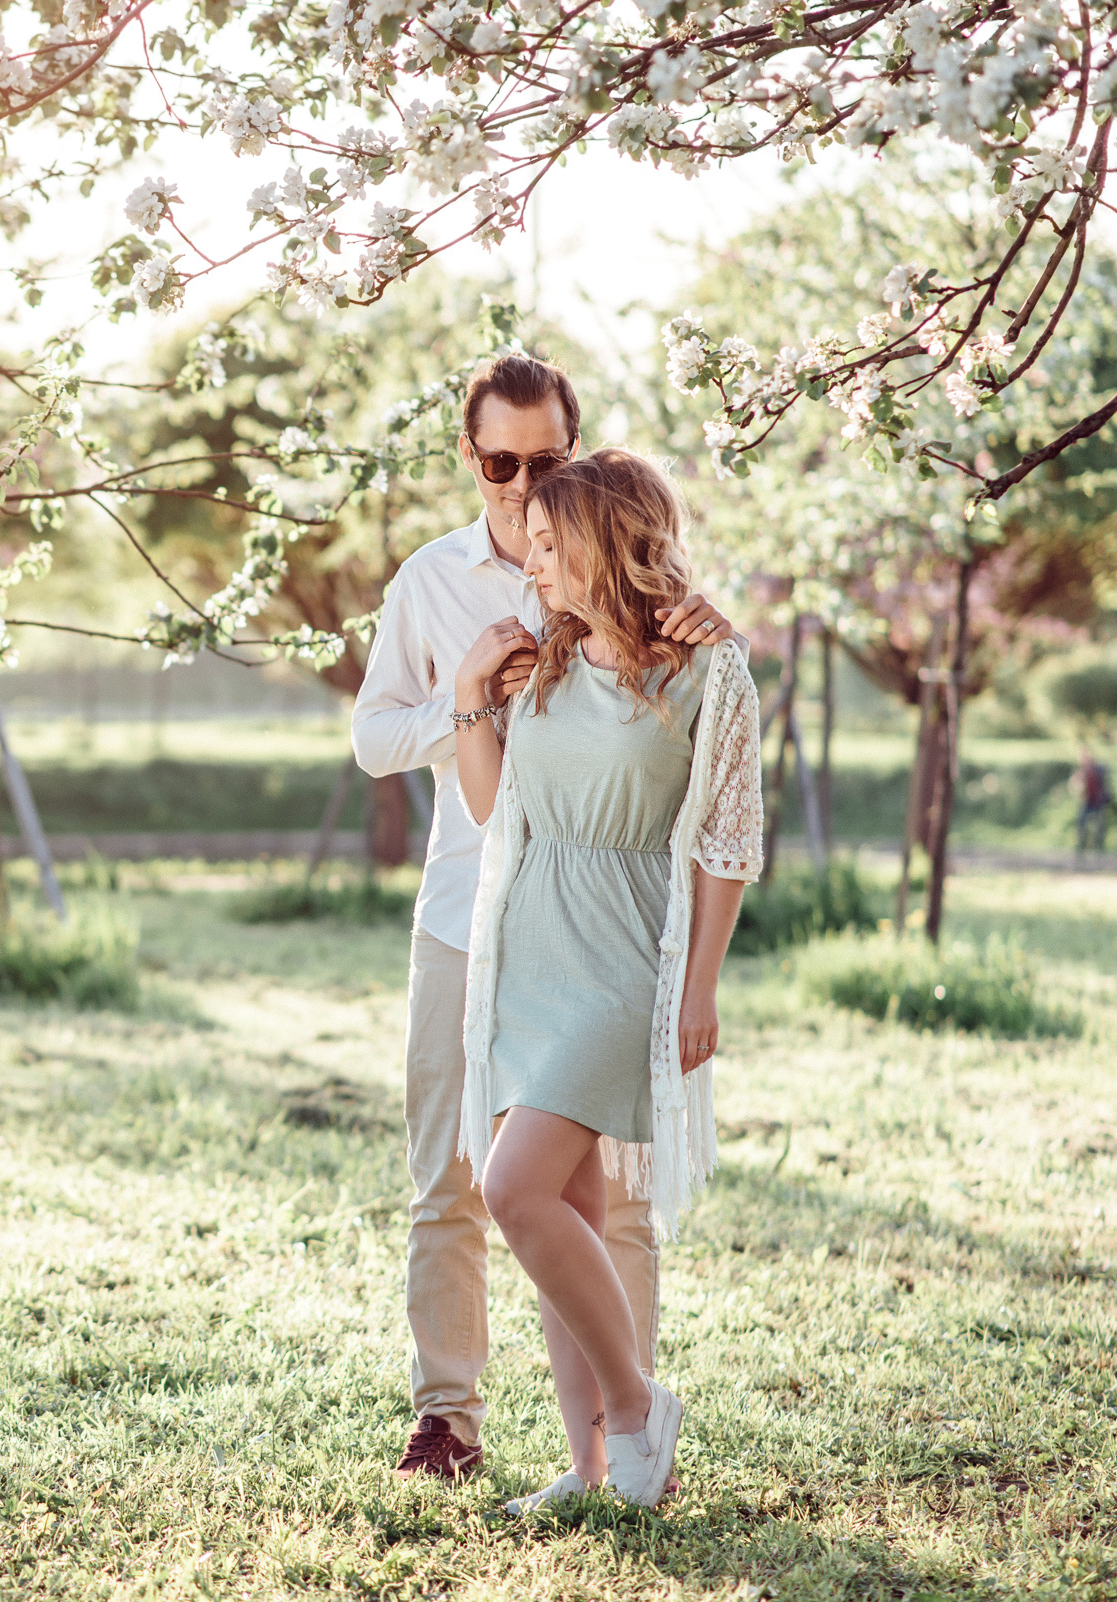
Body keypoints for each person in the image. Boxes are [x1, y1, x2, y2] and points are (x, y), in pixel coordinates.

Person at [350, 353, 733, 1482]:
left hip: (601, 938)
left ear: (577, 452)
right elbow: (376, 740)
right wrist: (469, 694)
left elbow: (702, 739)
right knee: (452, 1183)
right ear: (471, 458)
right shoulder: (431, 582)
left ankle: (626, 1432)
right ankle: (448, 1417)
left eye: (548, 460)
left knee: (611, 1202)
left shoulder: (632, 582)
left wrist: (697, 613)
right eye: (502, 461)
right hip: (468, 920)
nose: (524, 486)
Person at [452, 448, 763, 1511]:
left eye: (548, 543)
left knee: (512, 1189)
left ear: (604, 541)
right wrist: (464, 697)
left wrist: (700, 991)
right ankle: (592, 1469)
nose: (531, 562)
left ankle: (635, 1409)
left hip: (624, 957)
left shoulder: (706, 671)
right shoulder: (541, 660)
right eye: (528, 543)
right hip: (529, 951)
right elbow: (496, 809)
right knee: (563, 1214)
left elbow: (726, 844)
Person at [1074, 742, 1111, 859]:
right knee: (1082, 825)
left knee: (1099, 827)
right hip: (1087, 801)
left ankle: (1099, 850)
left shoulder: (1099, 769)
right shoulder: (1081, 771)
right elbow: (1076, 786)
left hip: (1097, 801)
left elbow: (1105, 784)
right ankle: (1082, 850)